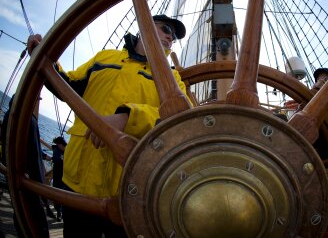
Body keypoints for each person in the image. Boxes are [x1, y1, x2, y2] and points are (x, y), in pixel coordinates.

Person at [27, 14, 189, 237]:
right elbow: (69, 85)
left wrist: (127, 117)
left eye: (173, 36)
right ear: (144, 27)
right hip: (78, 183)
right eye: (165, 29)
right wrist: (45, 59)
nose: (170, 37)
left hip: (126, 191)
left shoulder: (172, 78)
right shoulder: (105, 58)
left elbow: (181, 120)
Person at [1, 95, 50, 237]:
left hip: (12, 172)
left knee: (20, 212)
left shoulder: (8, 116)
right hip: (29, 179)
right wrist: (41, 188)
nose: (36, 101)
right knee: (37, 221)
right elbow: (34, 156)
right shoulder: (30, 120)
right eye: (35, 99)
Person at [51, 136, 67, 221]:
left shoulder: (68, 149)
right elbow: (56, 159)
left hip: (65, 178)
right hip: (58, 177)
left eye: (57, 144)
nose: (57, 145)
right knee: (56, 194)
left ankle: (62, 212)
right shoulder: (57, 150)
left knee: (63, 195)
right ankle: (59, 212)